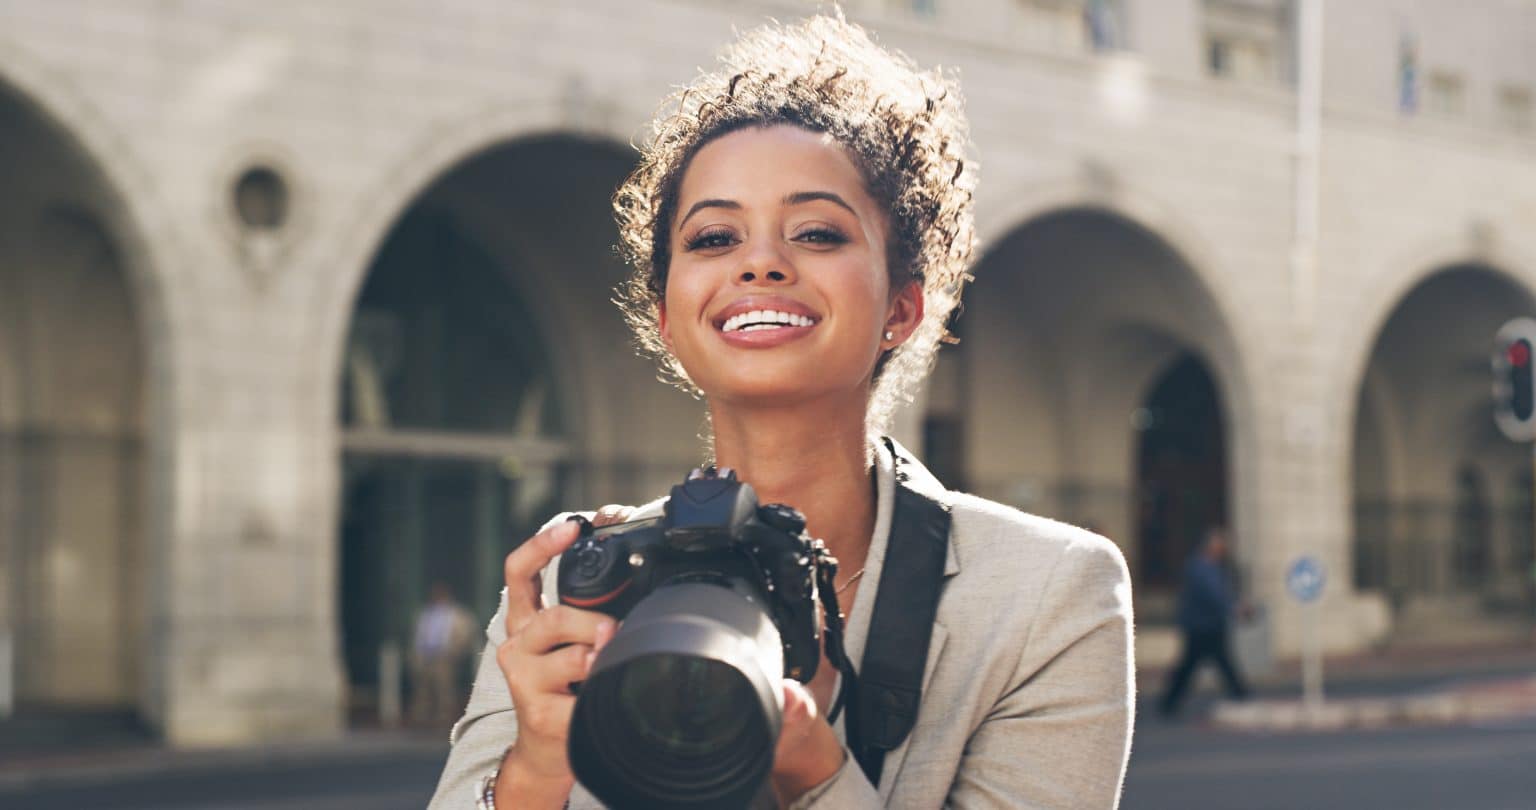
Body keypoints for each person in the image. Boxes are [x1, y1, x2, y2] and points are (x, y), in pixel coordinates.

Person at [431, 13, 1133, 808]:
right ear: (668, 317)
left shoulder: (1050, 595)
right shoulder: (570, 587)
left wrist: (816, 771)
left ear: (902, 310)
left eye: (816, 232)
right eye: (713, 238)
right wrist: (537, 768)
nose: (760, 263)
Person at [1158, 526, 1250, 717]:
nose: (1223, 547)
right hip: (1202, 626)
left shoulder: (1215, 566)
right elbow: (1214, 594)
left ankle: (1169, 703)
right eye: (1220, 543)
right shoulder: (1201, 567)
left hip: (1209, 625)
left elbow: (1222, 592)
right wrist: (1233, 608)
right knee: (1200, 664)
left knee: (1210, 663)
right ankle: (1241, 695)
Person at [411, 581, 477, 728]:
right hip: (426, 656)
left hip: (445, 657)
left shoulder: (456, 613)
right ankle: (422, 719)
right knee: (423, 690)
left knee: (444, 690)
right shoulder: (426, 613)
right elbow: (419, 635)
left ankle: (443, 719)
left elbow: (466, 633)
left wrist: (456, 650)